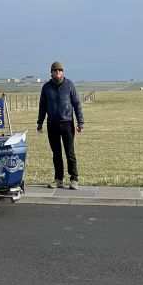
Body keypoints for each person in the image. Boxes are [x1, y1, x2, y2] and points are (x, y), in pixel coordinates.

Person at [37, 62, 84, 190]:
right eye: (55, 70)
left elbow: (76, 103)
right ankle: (58, 179)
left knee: (70, 152)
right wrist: (39, 122)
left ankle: (74, 179)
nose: (57, 72)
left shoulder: (69, 85)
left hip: (67, 123)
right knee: (56, 153)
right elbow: (42, 106)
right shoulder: (46, 87)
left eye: (60, 70)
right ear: (51, 72)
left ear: (62, 72)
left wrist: (80, 122)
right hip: (52, 124)